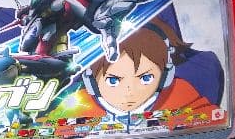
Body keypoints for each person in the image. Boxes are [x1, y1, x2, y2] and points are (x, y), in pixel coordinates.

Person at [83, 15, 223, 131]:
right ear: (90, 81)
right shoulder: (79, 106)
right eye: (113, 80)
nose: (130, 91)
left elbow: (213, 117)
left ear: (167, 75)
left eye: (146, 78)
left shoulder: (180, 96)